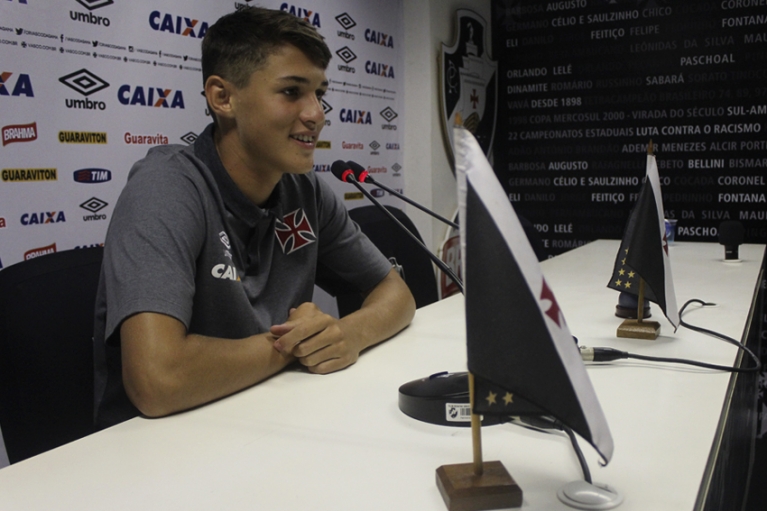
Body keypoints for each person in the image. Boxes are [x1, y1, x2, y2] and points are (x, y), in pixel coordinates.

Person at [92, 7, 416, 430]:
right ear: (222, 98)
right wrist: (295, 345)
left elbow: (396, 295)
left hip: (266, 418)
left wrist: (345, 336)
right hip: (161, 445)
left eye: (319, 93)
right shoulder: (165, 188)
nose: (316, 113)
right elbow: (158, 380)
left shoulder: (305, 188)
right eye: (291, 92)